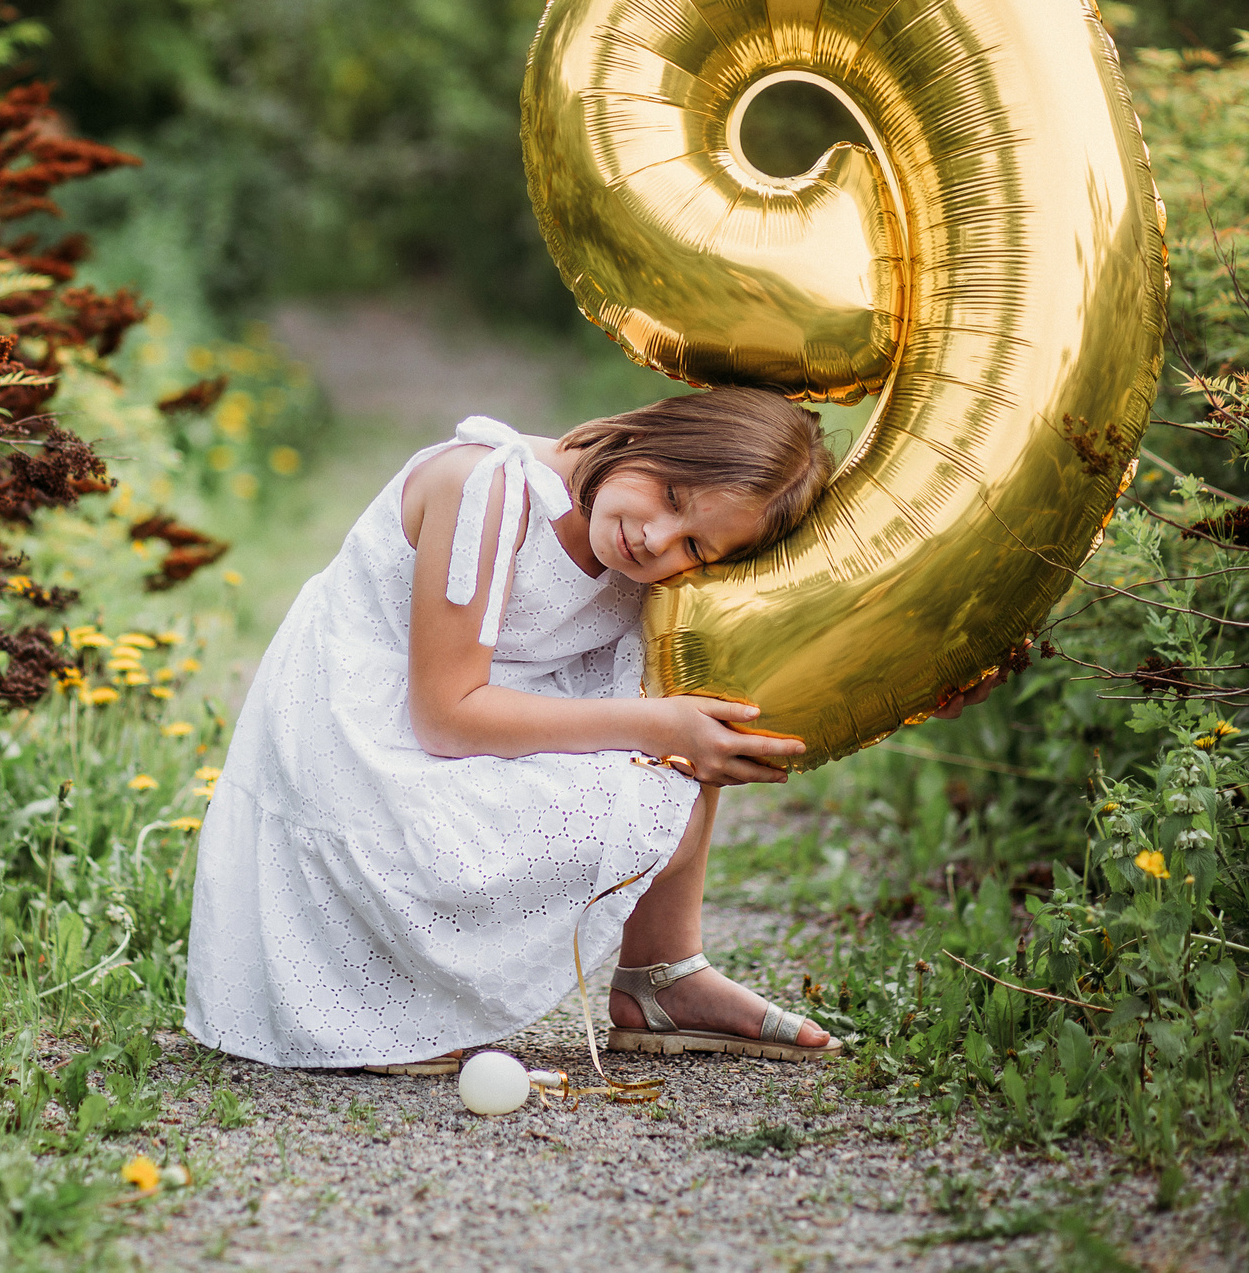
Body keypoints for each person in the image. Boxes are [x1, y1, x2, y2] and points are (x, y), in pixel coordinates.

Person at [187, 390, 877, 1072]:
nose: (656, 538)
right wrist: (651, 724)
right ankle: (375, 979)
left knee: (693, 697)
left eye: (695, 543)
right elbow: (446, 716)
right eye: (670, 494)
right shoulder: (488, 488)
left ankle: (663, 973)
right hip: (361, 753)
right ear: (647, 436)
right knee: (660, 747)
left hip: (442, 742)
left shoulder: (643, 555)